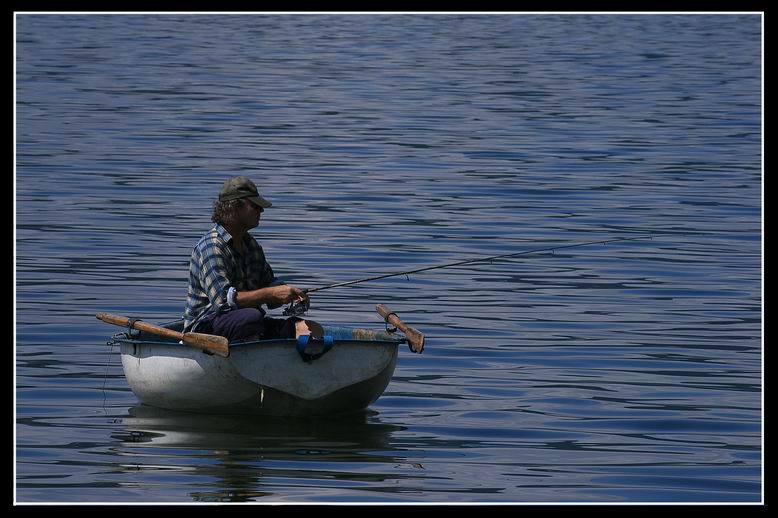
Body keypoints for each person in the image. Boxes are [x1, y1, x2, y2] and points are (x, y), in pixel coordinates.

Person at [183, 176, 320, 342]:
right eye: (255, 206)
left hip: (250, 323)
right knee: (251, 318)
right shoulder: (211, 246)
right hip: (206, 327)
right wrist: (271, 293)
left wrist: (289, 293)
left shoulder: (251, 245)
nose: (261, 211)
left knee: (309, 328)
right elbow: (223, 302)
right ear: (235, 207)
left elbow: (268, 284)